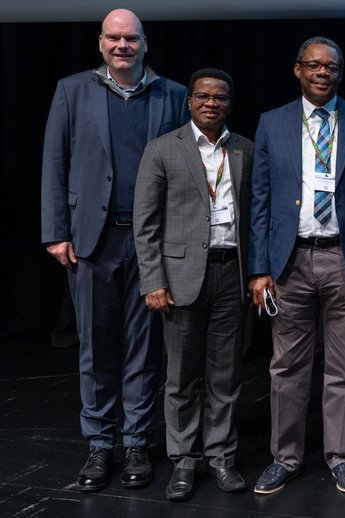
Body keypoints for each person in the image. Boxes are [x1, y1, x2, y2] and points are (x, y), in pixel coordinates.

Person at [40, 8, 188, 492]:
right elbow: (54, 161)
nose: (122, 45)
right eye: (113, 38)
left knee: (145, 351)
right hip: (91, 242)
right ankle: (99, 444)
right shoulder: (73, 89)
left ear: (145, 43)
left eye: (130, 38)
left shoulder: (174, 95)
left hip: (152, 245)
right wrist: (55, 231)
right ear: (100, 43)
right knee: (96, 348)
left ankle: (136, 444)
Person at [247, 36, 345, 495]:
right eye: (314, 66)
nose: (323, 73)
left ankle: (341, 457)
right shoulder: (272, 123)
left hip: (344, 259)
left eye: (331, 67)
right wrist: (258, 268)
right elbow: (261, 200)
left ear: (340, 72)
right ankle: (284, 458)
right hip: (288, 261)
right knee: (286, 365)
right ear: (297, 70)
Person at [134, 68, 254, 501]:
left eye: (219, 97)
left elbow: (254, 218)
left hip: (230, 273)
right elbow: (145, 225)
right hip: (181, 278)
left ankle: (222, 455)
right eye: (202, 96)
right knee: (181, 375)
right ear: (189, 101)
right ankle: (184, 459)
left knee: (226, 374)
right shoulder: (163, 149)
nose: (211, 103)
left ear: (229, 102)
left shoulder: (244, 150)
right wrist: (154, 281)